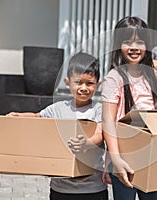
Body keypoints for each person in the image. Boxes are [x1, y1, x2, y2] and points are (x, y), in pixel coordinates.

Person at [7, 52, 108, 200]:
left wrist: (87, 143)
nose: (84, 88)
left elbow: (100, 134)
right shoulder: (58, 109)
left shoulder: (99, 110)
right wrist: (18, 116)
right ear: (67, 82)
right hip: (61, 188)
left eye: (90, 83)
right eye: (78, 82)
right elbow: (37, 117)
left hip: (93, 188)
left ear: (98, 85)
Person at [101, 16, 157, 200]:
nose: (134, 47)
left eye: (140, 42)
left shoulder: (155, 77)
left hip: (151, 156)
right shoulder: (114, 78)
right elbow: (108, 121)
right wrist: (114, 159)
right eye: (127, 42)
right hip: (124, 157)